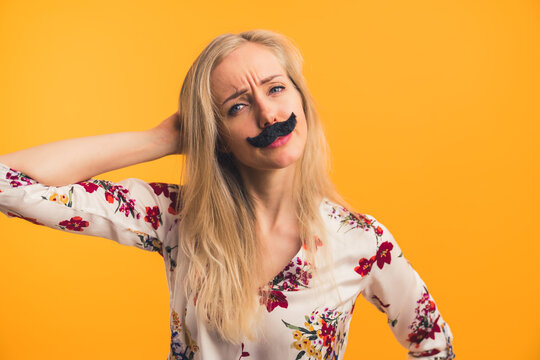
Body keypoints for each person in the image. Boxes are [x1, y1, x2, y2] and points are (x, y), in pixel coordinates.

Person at [0, 29, 455, 360]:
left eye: (276, 89)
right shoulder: (175, 217)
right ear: (217, 135)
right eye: (237, 106)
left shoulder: (361, 241)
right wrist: (160, 140)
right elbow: (7, 183)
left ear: (300, 100)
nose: (267, 112)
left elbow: (434, 346)